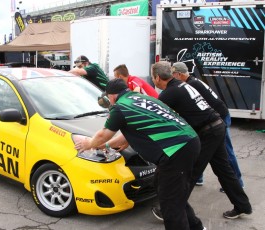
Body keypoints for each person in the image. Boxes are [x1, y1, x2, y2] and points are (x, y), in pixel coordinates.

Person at [75, 78, 205, 230]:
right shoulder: (140, 98)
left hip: (177, 149)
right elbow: (127, 134)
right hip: (189, 142)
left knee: (170, 203)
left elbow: (104, 134)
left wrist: (88, 144)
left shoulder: (120, 107)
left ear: (111, 96)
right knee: (166, 188)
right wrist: (106, 146)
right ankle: (197, 227)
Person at [151, 61, 252, 220]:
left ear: (157, 78)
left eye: (153, 78)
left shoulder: (170, 92)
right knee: (223, 169)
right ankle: (242, 205)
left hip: (208, 132)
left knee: (189, 172)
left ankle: (169, 210)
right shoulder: (184, 85)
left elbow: (154, 119)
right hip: (217, 126)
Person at [172, 61, 244, 190]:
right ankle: (198, 178)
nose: (172, 77)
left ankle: (237, 181)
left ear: (179, 74)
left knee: (226, 151)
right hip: (216, 116)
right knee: (200, 147)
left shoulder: (191, 84)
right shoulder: (193, 81)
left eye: (173, 74)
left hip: (219, 117)